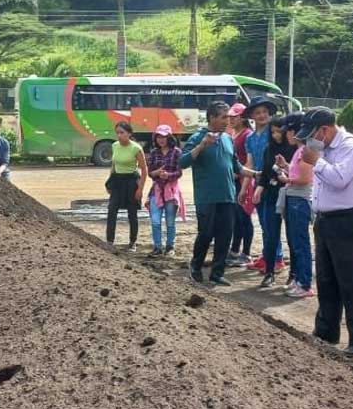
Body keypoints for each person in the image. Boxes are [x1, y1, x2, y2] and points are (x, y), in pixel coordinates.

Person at [302, 106, 353, 358]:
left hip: (349, 221)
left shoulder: (352, 148)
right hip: (325, 221)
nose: (309, 140)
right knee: (326, 279)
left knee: (352, 281)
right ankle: (326, 331)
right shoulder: (325, 149)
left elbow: (339, 179)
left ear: (324, 130)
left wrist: (317, 162)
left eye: (312, 134)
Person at [181, 101, 258, 286]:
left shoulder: (228, 138)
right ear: (211, 118)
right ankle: (195, 267)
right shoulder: (197, 137)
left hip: (228, 196)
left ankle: (217, 273)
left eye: (228, 117)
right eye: (223, 117)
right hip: (206, 197)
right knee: (205, 234)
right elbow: (181, 163)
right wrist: (202, 145)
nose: (227, 121)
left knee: (225, 236)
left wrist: (256, 174)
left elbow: (236, 166)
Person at [256, 115, 295, 288]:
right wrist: (259, 188)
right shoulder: (269, 149)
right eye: (273, 132)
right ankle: (269, 272)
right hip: (271, 195)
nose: (276, 135)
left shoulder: (294, 149)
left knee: (292, 236)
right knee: (271, 234)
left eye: (279, 131)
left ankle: (293, 274)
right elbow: (265, 173)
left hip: (290, 195)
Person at [278, 126, 317, 299]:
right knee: (296, 243)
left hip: (299, 200)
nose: (286, 135)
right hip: (295, 199)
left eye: (288, 131)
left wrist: (286, 179)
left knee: (301, 244)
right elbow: (299, 173)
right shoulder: (300, 151)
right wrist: (286, 167)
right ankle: (300, 280)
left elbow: (305, 179)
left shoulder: (305, 151)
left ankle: (304, 283)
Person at [242, 98, 279, 275]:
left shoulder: (274, 133)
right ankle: (267, 255)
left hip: (272, 181)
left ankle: (276, 258)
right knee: (263, 222)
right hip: (257, 181)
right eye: (257, 112)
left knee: (271, 222)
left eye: (264, 111)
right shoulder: (249, 138)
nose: (262, 115)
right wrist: (244, 188)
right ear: (251, 116)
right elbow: (249, 163)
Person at [105, 121, 147, 251]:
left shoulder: (136, 148)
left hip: (131, 182)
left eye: (122, 132)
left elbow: (144, 169)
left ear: (129, 133)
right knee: (112, 210)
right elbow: (113, 165)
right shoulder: (114, 146)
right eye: (117, 133)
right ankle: (109, 241)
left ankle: (133, 242)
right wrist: (109, 183)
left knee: (132, 213)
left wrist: (140, 189)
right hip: (117, 181)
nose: (119, 135)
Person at [144, 124, 184, 257]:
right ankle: (157, 247)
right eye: (159, 137)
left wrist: (168, 175)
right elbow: (150, 173)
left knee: (170, 221)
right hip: (156, 190)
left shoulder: (177, 152)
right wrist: (156, 173)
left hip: (171, 191)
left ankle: (170, 246)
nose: (161, 139)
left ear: (169, 138)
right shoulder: (153, 152)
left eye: (164, 137)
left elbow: (179, 172)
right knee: (155, 221)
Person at [227, 103, 255, 266]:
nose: (231, 119)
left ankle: (246, 252)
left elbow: (249, 161)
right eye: (230, 116)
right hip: (234, 180)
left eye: (234, 116)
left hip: (244, 180)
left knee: (244, 216)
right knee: (236, 217)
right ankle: (235, 249)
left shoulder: (247, 135)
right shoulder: (233, 133)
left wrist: (239, 174)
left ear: (243, 118)